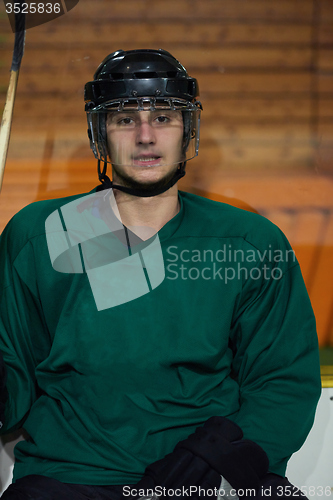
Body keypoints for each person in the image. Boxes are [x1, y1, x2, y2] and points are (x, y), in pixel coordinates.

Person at [0, 49, 321, 499]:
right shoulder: (41, 233)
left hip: (207, 471)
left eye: (164, 117)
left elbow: (282, 382)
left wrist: (222, 459)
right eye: (125, 119)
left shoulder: (248, 241)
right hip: (72, 475)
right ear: (100, 133)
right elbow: (15, 367)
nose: (146, 136)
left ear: (187, 128)